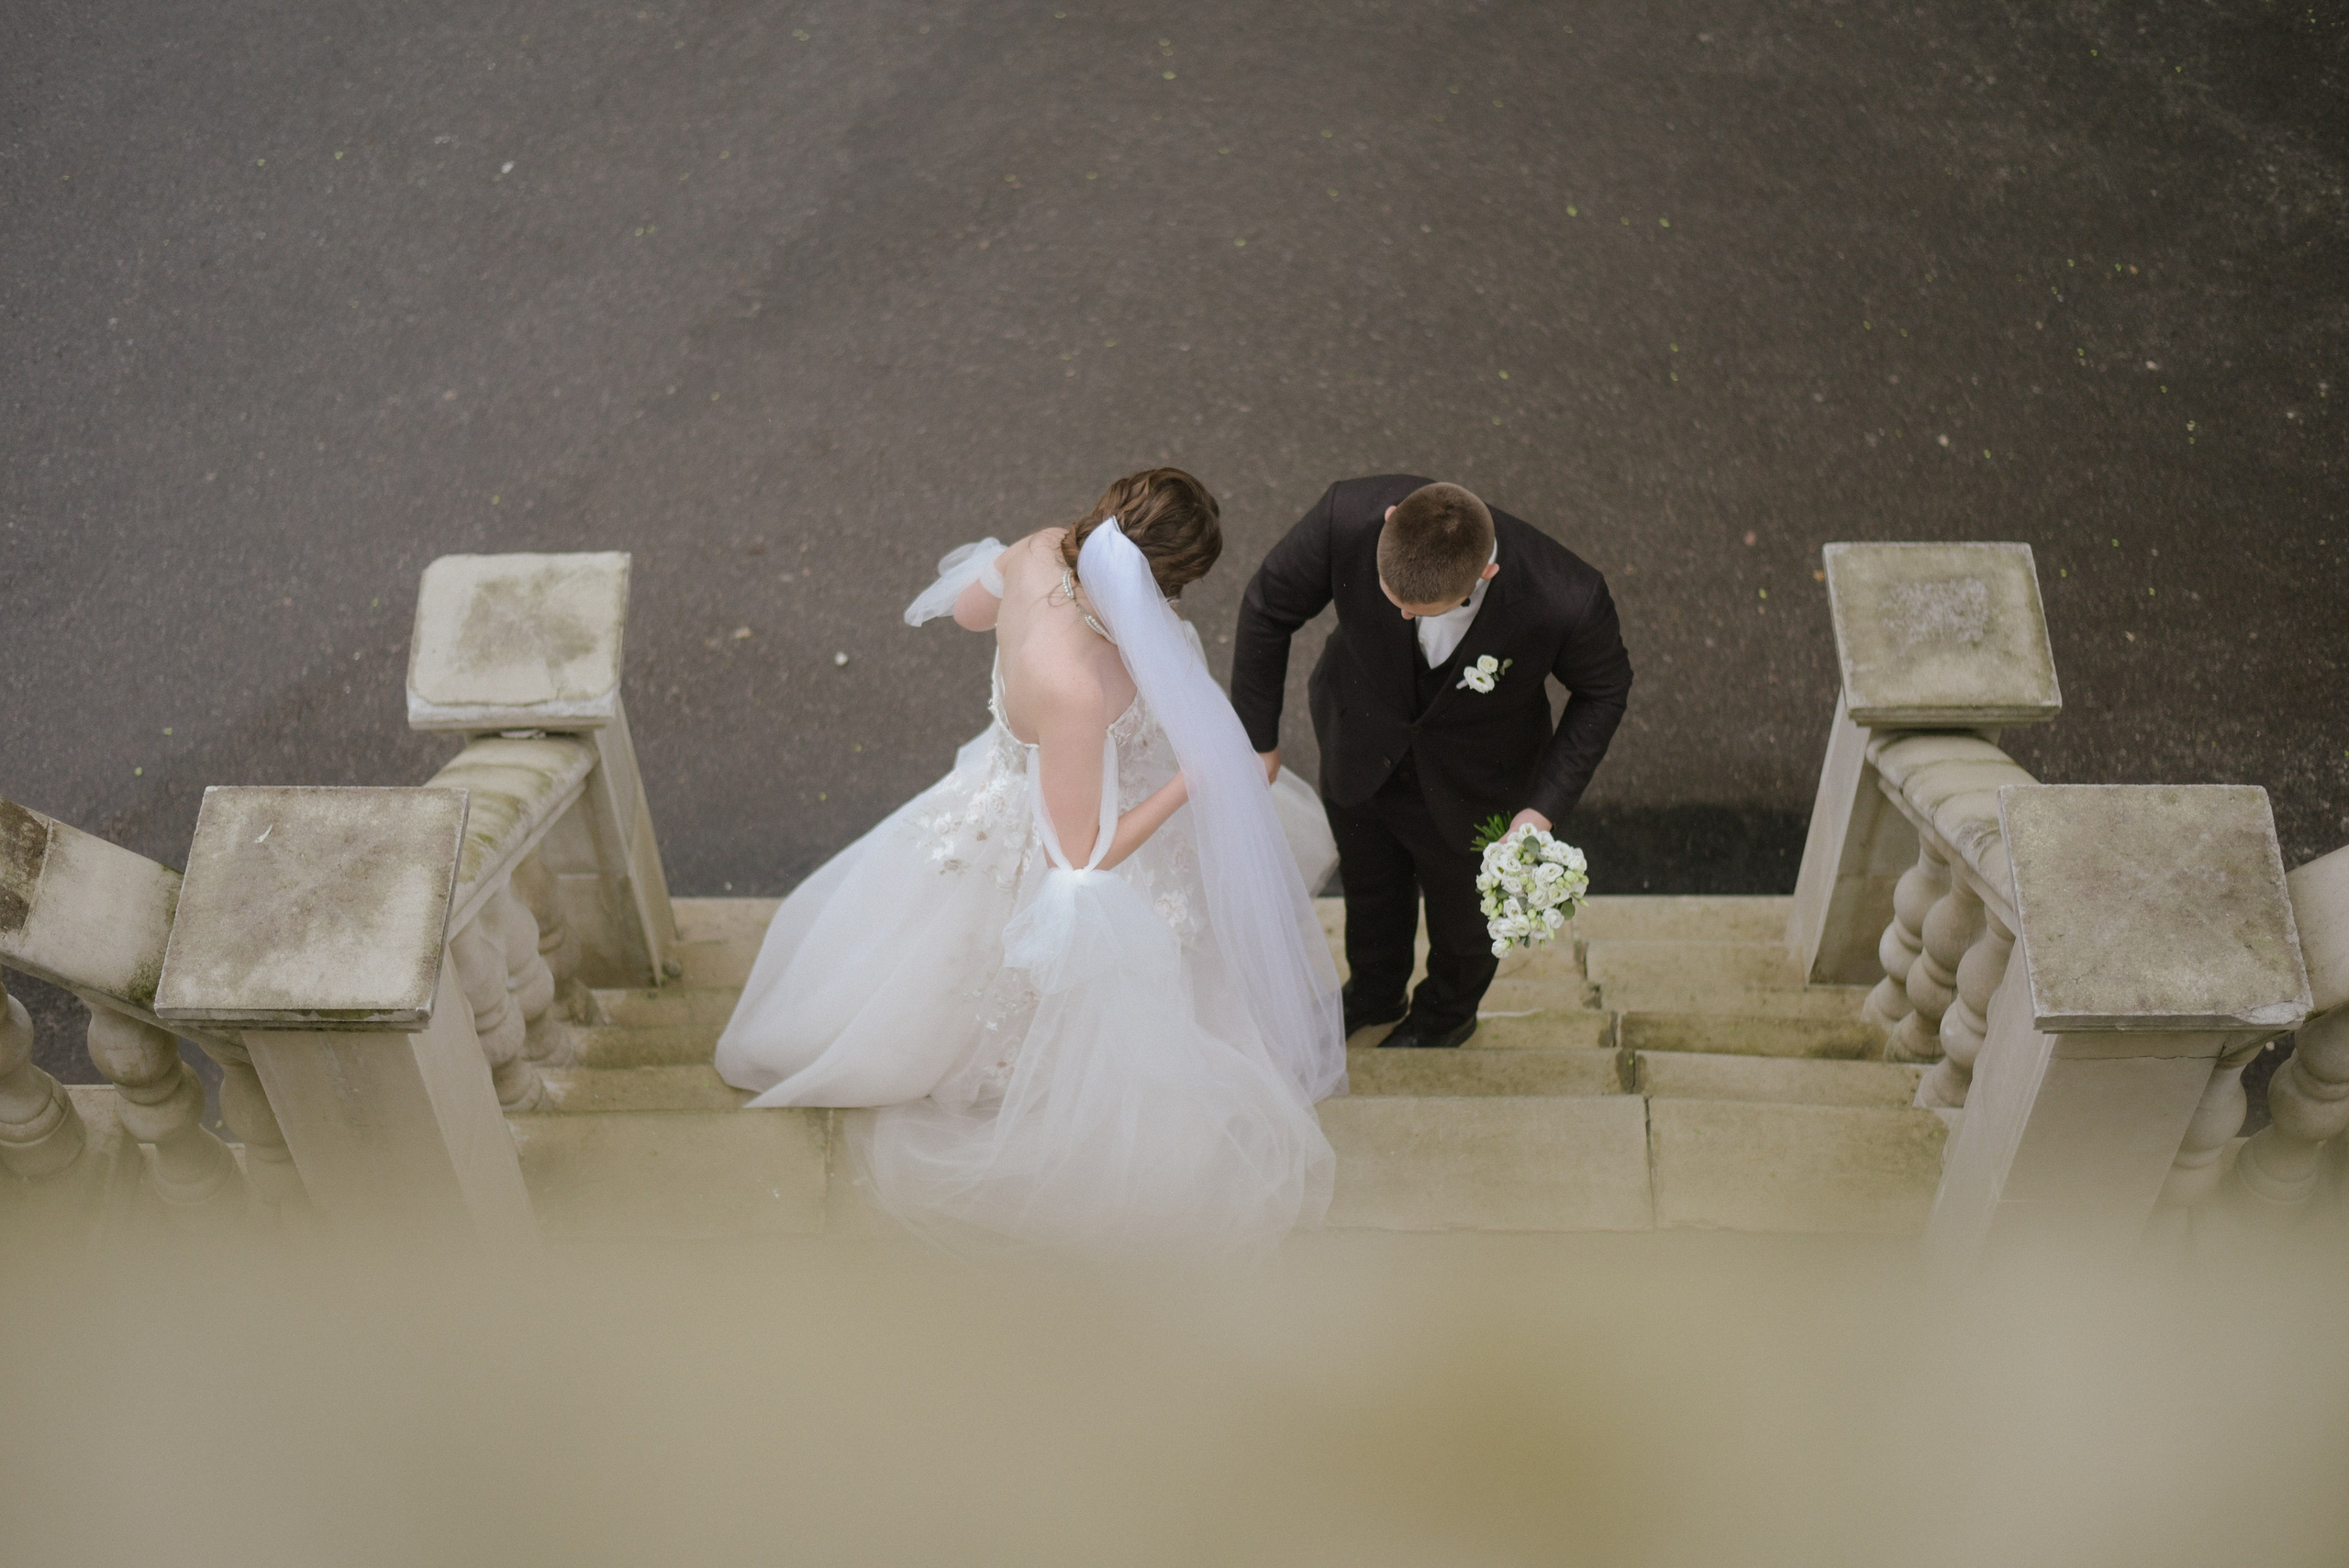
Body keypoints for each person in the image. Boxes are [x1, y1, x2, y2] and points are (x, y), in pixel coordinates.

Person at [715, 469, 1346, 1253]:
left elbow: (972, 611)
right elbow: (1078, 858)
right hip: (1055, 829)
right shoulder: (1076, 688)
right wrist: (1194, 776)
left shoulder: (1045, 546)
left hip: (1019, 774)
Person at [1230, 476, 1632, 1050]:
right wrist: (1257, 740)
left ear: (1485, 573)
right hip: (1360, 744)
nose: (1399, 614)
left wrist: (1540, 810)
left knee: (1465, 921)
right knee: (1369, 890)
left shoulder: (1568, 595)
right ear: (1391, 519)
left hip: (1479, 782)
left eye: (1416, 609)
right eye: (1390, 597)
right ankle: (1374, 994)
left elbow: (1604, 691)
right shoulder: (1346, 515)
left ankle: (1445, 1017)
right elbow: (1267, 606)